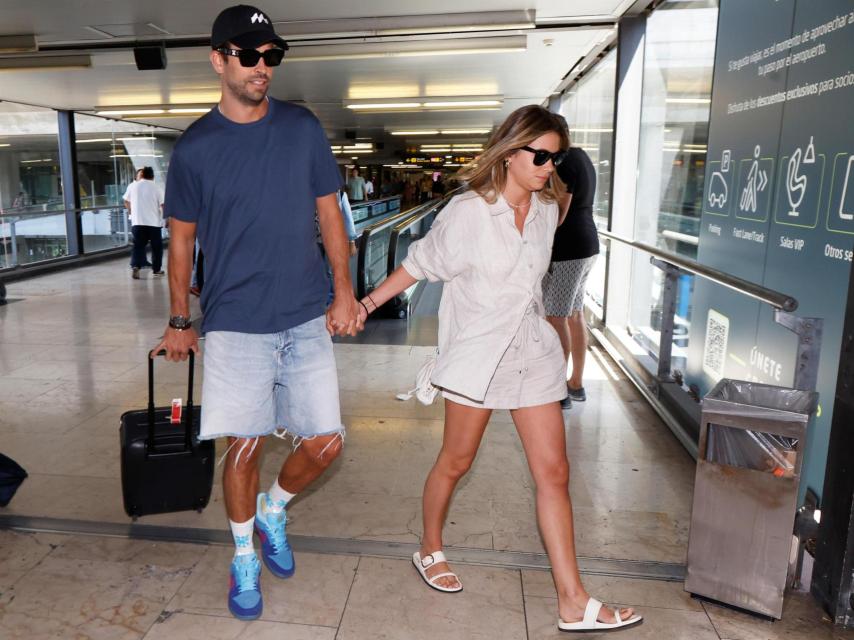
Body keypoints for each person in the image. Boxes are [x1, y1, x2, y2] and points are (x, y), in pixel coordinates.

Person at [357, 105, 641, 633]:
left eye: (556, 159)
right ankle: (429, 547)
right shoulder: (468, 212)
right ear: (511, 153)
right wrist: (367, 305)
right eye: (541, 156)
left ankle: (572, 599)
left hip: (531, 351)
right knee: (456, 461)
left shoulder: (546, 210)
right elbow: (418, 264)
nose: (549, 168)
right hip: (479, 354)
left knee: (554, 473)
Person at [153, 4, 362, 622]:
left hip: (303, 312)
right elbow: (181, 242)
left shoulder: (302, 128)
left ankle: (274, 510)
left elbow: (330, 213)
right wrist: (179, 320)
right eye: (249, 55)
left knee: (326, 441)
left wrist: (344, 291)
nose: (262, 66)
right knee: (244, 445)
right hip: (235, 319)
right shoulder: (196, 148)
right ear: (218, 61)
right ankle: (244, 554)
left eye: (271, 56)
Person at [543, 141, 600, 407]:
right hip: (587, 244)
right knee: (575, 315)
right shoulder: (582, 157)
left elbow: (559, 215)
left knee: (557, 317)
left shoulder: (564, 162)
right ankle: (575, 383)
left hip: (569, 249)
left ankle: (559, 390)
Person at [123, 166, 164, 279]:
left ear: (142, 175)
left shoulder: (133, 186)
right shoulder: (157, 188)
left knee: (138, 246)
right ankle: (156, 270)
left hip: (137, 222)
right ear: (152, 176)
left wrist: (131, 212)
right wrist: (166, 219)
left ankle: (136, 266)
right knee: (156, 247)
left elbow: (126, 201)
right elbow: (163, 205)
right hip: (154, 223)